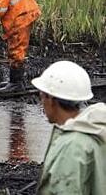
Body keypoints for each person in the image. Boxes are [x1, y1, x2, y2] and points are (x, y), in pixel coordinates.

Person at [31, 60, 106, 194]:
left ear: (51, 99)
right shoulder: (98, 130)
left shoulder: (72, 146)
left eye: (41, 96)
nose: (41, 102)